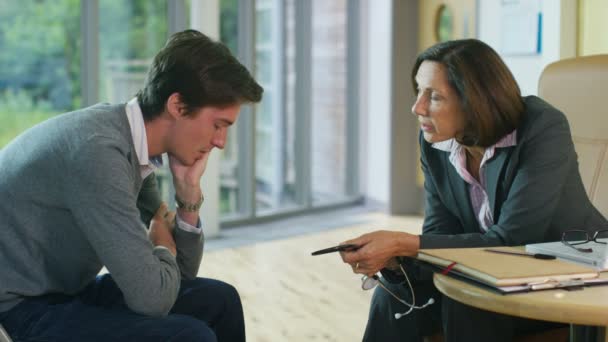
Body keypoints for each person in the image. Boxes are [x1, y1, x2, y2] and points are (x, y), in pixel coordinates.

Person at [0, 29, 262, 341]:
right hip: (21, 308)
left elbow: (180, 277)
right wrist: (163, 243)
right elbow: (153, 300)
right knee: (190, 336)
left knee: (220, 301)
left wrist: (187, 196)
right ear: (178, 106)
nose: (220, 142)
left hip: (67, 292)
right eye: (218, 125)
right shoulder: (99, 154)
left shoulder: (133, 147)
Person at [340, 39, 608, 342]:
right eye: (419, 90)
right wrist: (397, 263)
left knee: (467, 299)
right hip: (493, 273)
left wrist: (403, 243)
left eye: (435, 96)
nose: (418, 107)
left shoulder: (542, 126)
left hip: (575, 273)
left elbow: (512, 239)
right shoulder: (437, 143)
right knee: (393, 298)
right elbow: (440, 231)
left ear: (475, 100)